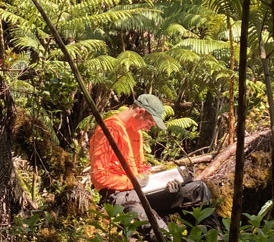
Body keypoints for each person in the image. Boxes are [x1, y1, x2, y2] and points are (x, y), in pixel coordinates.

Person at [89, 93, 212, 227]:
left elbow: (141, 169)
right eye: (150, 122)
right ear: (140, 111)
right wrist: (133, 182)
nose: (150, 127)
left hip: (141, 191)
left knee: (197, 189)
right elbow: (100, 177)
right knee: (159, 230)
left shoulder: (137, 133)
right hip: (118, 194)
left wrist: (164, 184)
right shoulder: (109, 130)